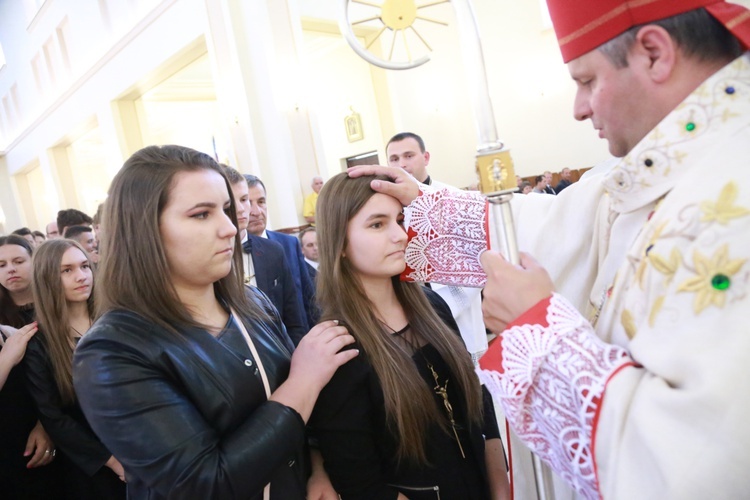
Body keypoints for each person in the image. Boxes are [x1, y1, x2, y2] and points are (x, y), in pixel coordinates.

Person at [349, 2, 750, 498]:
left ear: (653, 53)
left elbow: (696, 462)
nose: (579, 108)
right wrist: (424, 203)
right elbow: (558, 223)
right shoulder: (667, 170)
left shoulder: (733, 196)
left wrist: (535, 333)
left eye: (586, 80)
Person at [72, 145, 357, 499]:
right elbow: (206, 483)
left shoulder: (251, 302)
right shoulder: (112, 351)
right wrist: (305, 380)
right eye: (201, 215)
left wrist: (318, 467)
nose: (229, 227)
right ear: (143, 230)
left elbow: (307, 419)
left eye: (225, 209)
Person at [309, 172, 510, 500]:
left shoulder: (432, 305)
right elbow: (359, 480)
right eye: (377, 225)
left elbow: (477, 397)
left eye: (399, 220)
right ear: (339, 244)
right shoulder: (338, 346)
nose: (400, 236)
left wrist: (498, 482)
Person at [24, 239, 125, 499]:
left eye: (84, 266)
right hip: (93, 463)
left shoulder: (116, 319)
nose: (81, 276)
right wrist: (112, 461)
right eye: (66, 270)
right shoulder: (40, 343)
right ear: (48, 278)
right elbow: (53, 416)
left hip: (139, 440)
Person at [387, 132, 489, 361]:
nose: (401, 164)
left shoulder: (452, 198)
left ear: (426, 157)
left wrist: (434, 309)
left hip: (455, 313)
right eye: (394, 159)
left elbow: (475, 260)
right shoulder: (387, 206)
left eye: (408, 155)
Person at [0, 235, 62, 499]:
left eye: (17, 261)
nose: (10, 269)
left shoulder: (58, 304)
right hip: (12, 432)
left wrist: (46, 423)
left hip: (56, 418)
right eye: (1, 264)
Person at [223, 165, 308, 345]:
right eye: (231, 202)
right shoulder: (209, 254)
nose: (242, 209)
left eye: (244, 199)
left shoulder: (274, 250)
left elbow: (294, 318)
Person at [246, 174, 317, 329]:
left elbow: (307, 296)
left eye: (261, 202)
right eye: (247, 203)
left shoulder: (288, 243)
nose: (256, 211)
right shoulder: (231, 252)